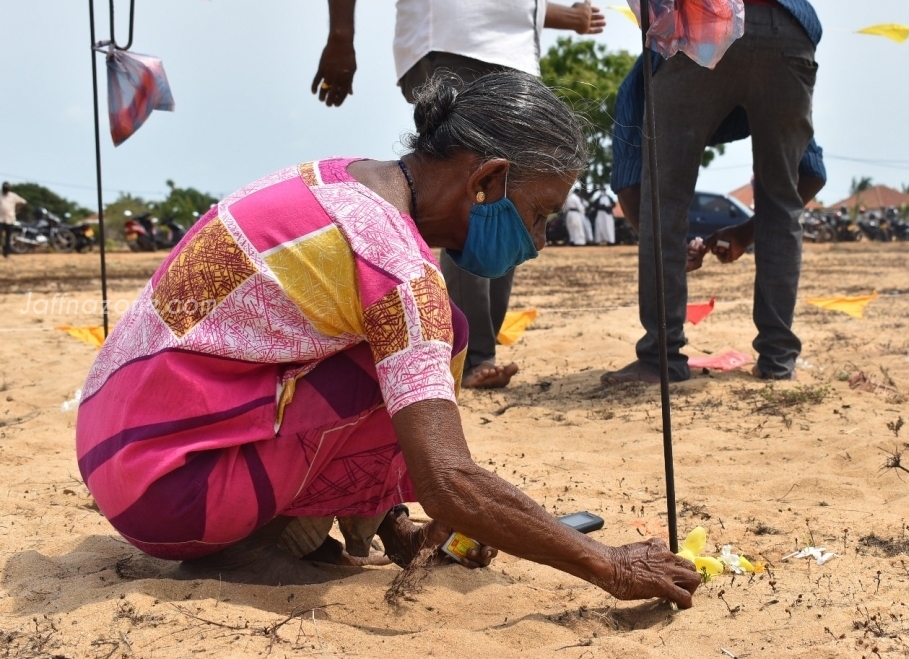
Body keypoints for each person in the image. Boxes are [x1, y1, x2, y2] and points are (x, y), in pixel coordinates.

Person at [75, 73, 699, 605]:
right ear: (486, 180)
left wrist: (399, 517)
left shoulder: (339, 178)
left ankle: (360, 522)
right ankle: (253, 545)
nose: (537, 242)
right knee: (435, 337)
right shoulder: (398, 270)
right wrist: (607, 563)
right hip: (169, 494)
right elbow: (448, 478)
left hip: (118, 448)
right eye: (538, 214)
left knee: (415, 344)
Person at [310, 0, 605, 391]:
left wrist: (570, 18)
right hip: (451, 43)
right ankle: (470, 354)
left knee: (516, 198)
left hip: (517, 59)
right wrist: (340, 38)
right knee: (472, 198)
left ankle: (478, 349)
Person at [603, 0, 825, 384]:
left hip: (700, 26)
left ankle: (661, 359)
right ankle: (778, 361)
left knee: (665, 203)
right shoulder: (770, 73)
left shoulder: (644, 76)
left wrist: (667, 243)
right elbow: (806, 178)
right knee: (781, 203)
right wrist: (748, 230)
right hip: (791, 30)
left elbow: (638, 190)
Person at [0, 182, 26, 258]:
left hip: (10, 219)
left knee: (8, 237)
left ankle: (6, 253)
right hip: (0, 219)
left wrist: (17, 209)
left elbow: (23, 202)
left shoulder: (13, 196)